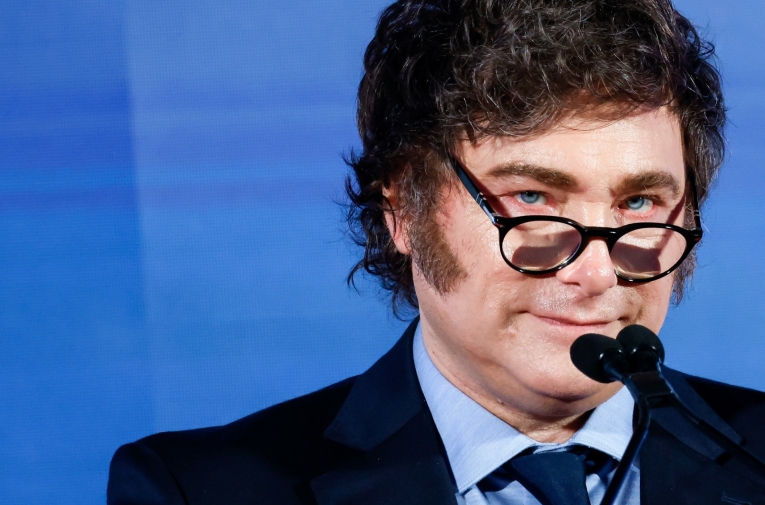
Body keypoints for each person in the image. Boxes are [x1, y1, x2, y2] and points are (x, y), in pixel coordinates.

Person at [107, 0, 765, 504]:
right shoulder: (201, 489)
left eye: (639, 203)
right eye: (531, 198)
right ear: (401, 211)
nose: (597, 273)